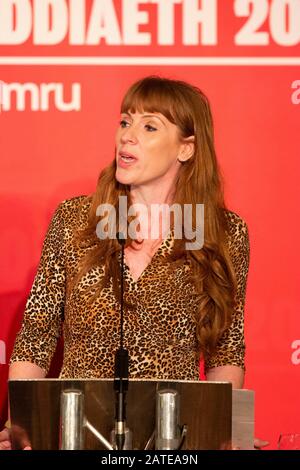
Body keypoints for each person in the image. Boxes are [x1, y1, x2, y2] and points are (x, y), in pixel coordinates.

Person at [0, 75, 266, 450]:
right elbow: (37, 336)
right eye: (125, 121)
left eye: (149, 126)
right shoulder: (79, 220)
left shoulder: (220, 233)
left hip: (176, 441)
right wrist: (20, 426)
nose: (128, 135)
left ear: (186, 149)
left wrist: (225, 432)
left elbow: (225, 347)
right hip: (76, 435)